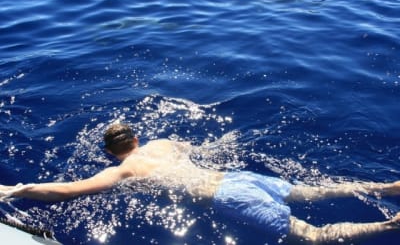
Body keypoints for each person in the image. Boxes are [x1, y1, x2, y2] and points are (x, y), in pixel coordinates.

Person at [1, 122, 400, 243]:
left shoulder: (120, 170)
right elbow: (198, 147)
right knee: (311, 190)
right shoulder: (162, 143)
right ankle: (389, 187)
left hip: (226, 196)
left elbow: (68, 190)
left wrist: (17, 190)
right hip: (233, 175)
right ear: (137, 138)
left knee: (313, 237)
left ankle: (388, 226)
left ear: (110, 151)